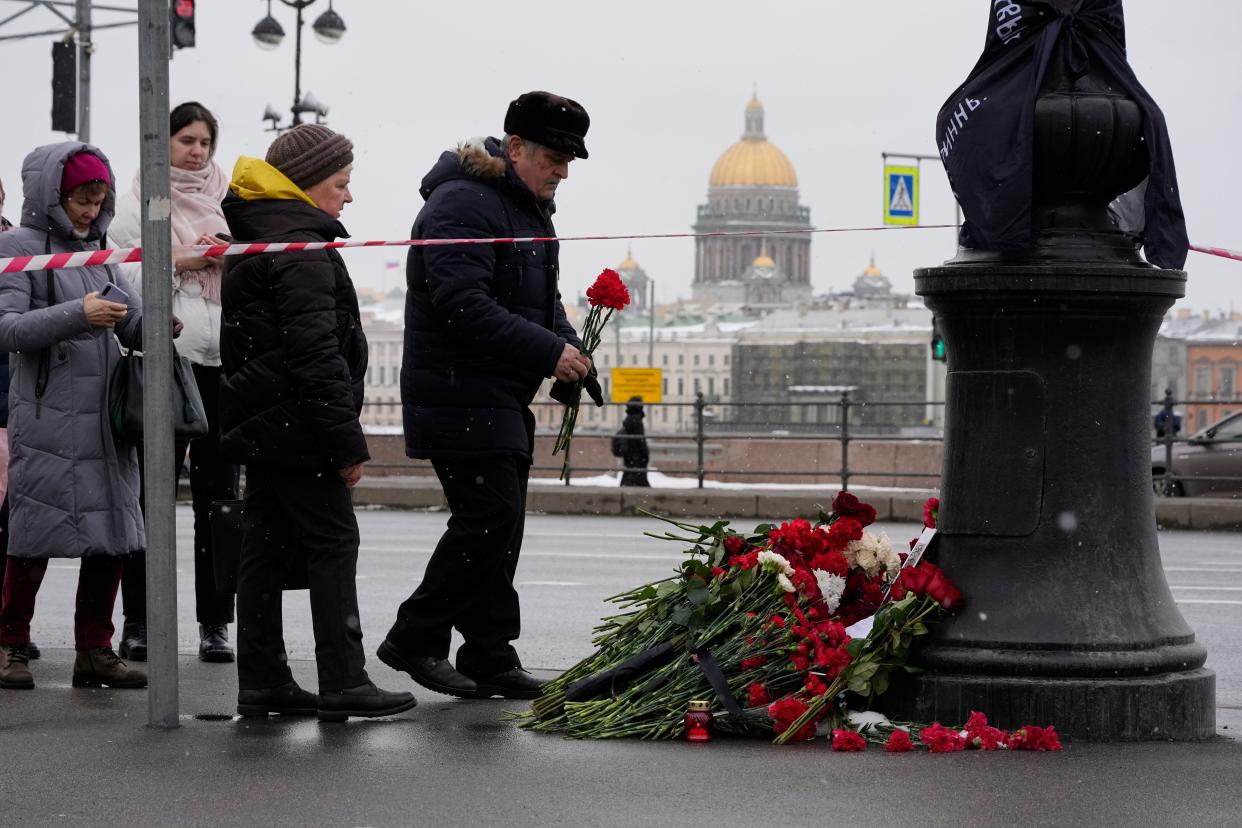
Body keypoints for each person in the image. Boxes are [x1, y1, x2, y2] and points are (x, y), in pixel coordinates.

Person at [378, 91, 596, 700]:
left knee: (501, 525)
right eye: (554, 157)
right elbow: (462, 305)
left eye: (570, 161)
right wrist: (545, 351)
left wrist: (573, 350)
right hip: (456, 388)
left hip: (495, 391)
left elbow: (540, 299)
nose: (563, 171)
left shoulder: (527, 207)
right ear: (516, 148)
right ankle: (415, 638)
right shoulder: (462, 204)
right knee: (488, 519)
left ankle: (489, 653)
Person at [219, 124, 415, 721]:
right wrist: (345, 444)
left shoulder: (264, 234)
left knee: (266, 549)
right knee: (333, 541)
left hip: (267, 420)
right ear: (307, 185)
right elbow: (315, 355)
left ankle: (263, 679)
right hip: (298, 424)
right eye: (341, 183)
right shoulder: (299, 246)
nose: (348, 196)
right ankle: (343, 677)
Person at [0, 143, 146, 691]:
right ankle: (10, 645)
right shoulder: (15, 247)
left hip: (104, 420)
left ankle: (96, 649)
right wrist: (78, 315)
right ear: (51, 196)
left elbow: (130, 319)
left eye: (97, 200)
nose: (89, 211)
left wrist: (157, 325)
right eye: (81, 199)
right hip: (46, 417)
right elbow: (7, 329)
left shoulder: (101, 251)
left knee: (111, 535)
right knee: (31, 536)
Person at [110, 101, 238, 664]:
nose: (197, 151)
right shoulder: (140, 199)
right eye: (186, 140)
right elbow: (122, 272)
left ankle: (216, 623)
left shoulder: (228, 197)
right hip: (166, 362)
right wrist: (183, 259)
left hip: (220, 363)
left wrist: (229, 260)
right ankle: (139, 621)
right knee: (150, 500)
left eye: (205, 142)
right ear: (163, 144)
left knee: (220, 501)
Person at [612, 397, 651, 487]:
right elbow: (640, 441)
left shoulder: (628, 419)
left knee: (629, 476)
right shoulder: (637, 421)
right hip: (637, 457)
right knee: (640, 480)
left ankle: (623, 493)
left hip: (630, 456)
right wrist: (645, 455)